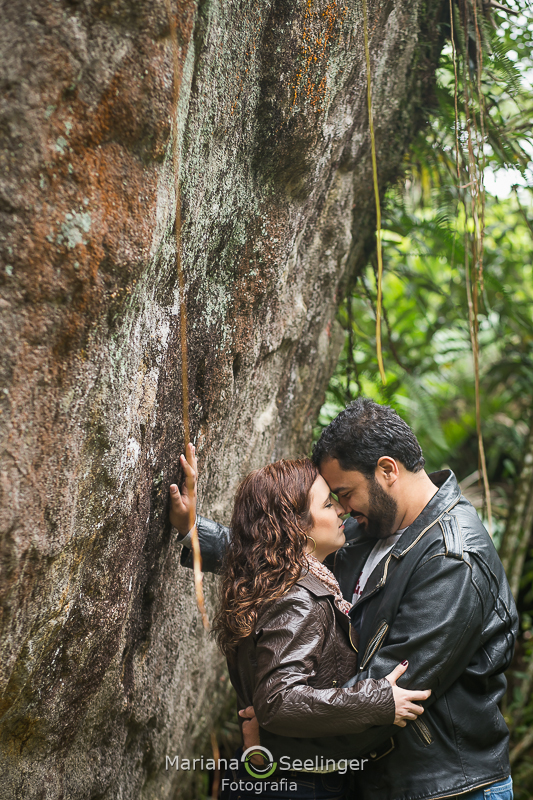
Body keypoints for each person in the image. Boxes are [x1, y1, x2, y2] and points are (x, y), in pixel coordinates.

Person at [171, 399, 518, 800]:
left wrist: (271, 742)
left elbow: (392, 695)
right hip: (376, 781)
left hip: (443, 788)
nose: (342, 508)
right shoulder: (371, 529)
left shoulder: (453, 559)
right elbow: (286, 555)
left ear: (387, 470)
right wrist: (194, 531)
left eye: (346, 493)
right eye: (332, 498)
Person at [206, 457, 431, 800]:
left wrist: (191, 525)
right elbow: (279, 701)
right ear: (296, 527)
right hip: (294, 783)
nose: (341, 510)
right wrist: (378, 701)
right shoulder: (298, 597)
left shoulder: (273, 579)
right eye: (328, 504)